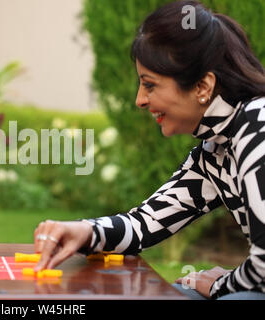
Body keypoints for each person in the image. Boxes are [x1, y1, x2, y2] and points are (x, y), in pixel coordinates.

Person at [33, 0, 265, 300]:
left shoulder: (257, 126)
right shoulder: (215, 151)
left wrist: (222, 285)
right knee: (182, 292)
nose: (139, 100)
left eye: (150, 85)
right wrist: (85, 232)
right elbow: (143, 225)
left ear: (202, 87)